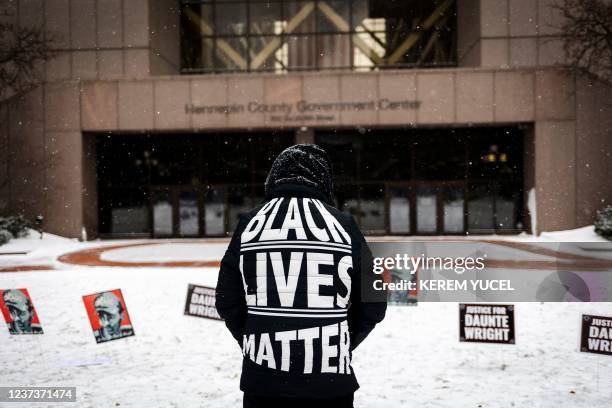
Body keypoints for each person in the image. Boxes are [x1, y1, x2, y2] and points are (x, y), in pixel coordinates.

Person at [216, 144, 387, 408]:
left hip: (263, 383)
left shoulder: (249, 224)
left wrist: (256, 341)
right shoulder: (344, 225)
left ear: (274, 177)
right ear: (324, 180)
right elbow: (374, 300)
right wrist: (340, 342)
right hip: (330, 385)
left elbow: (227, 300)